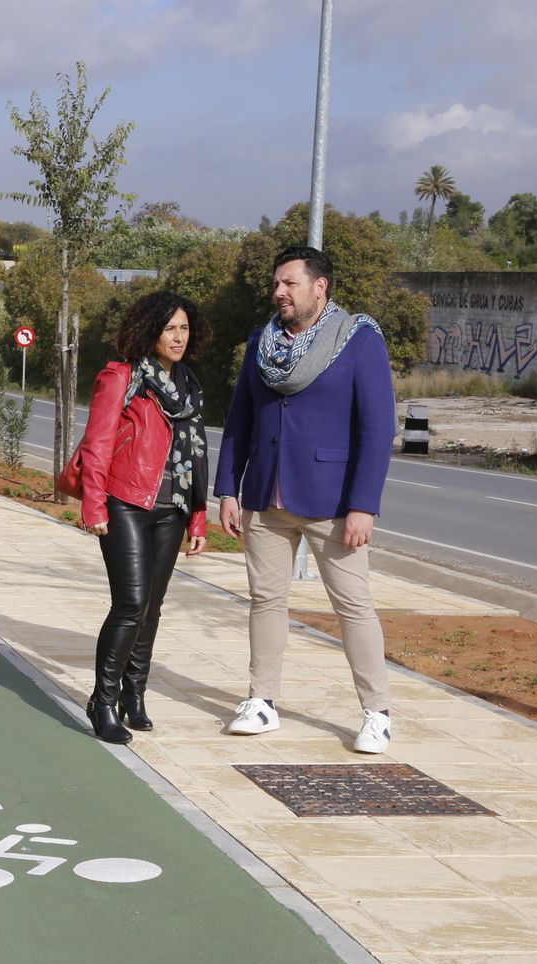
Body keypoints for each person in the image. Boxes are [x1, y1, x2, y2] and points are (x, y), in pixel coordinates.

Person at [214, 246, 397, 754]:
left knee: (353, 606)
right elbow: (240, 420)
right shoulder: (260, 343)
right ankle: (262, 701)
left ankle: (377, 713)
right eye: (276, 284)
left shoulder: (358, 341)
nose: (279, 293)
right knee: (266, 600)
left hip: (333, 501)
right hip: (265, 498)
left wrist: (363, 504)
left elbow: (377, 429)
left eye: (289, 284)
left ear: (320, 287)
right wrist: (228, 488)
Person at [74, 291, 210, 744]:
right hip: (125, 501)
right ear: (150, 331)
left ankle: (135, 694)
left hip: (172, 508)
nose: (178, 337)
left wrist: (197, 518)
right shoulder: (122, 377)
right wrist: (93, 505)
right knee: (131, 603)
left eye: (184, 328)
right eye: (169, 328)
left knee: (152, 606)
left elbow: (195, 455)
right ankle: (103, 699)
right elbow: (97, 444)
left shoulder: (188, 384)